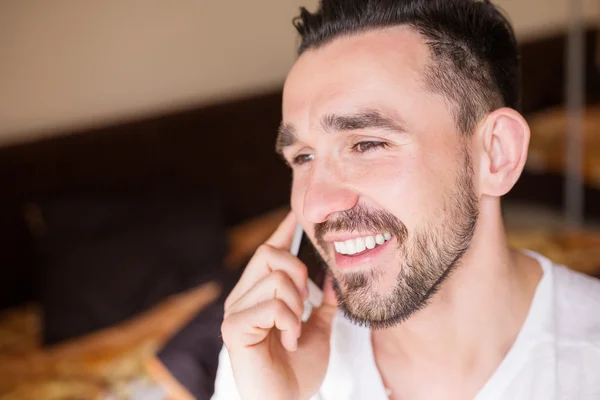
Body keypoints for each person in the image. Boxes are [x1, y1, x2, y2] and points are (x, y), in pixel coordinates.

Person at [213, 0, 600, 399]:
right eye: (303, 157)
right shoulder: (266, 359)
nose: (314, 205)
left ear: (496, 154)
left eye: (366, 144)